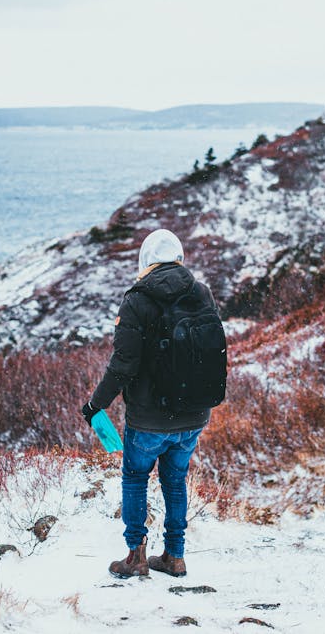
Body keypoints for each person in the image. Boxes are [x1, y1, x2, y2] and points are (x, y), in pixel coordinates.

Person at [82, 228, 223, 579]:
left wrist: (95, 405)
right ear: (178, 257)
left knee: (134, 478)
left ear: (146, 260)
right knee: (175, 481)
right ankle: (174, 556)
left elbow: (123, 365)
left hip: (149, 418)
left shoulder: (137, 300)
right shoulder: (201, 293)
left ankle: (136, 557)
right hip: (194, 413)